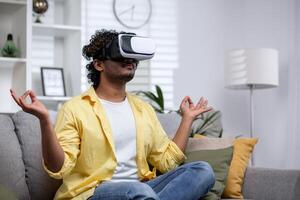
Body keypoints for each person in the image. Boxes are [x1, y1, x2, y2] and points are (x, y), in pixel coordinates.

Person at [10, 29, 215, 200]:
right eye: (121, 56)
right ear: (99, 64)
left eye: (133, 57)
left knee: (202, 171)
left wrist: (187, 119)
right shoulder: (75, 108)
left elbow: (167, 162)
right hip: (93, 193)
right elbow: (59, 168)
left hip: (142, 190)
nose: (131, 61)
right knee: (138, 190)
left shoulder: (143, 109)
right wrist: (45, 121)